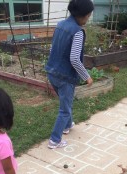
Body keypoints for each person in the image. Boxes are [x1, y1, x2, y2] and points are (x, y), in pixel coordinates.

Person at [45, 0, 94, 149]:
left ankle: (67, 126)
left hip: (52, 71)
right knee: (65, 109)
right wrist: (86, 76)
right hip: (65, 76)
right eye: (88, 16)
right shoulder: (78, 31)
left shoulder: (60, 25)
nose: (88, 18)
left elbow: (53, 47)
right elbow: (74, 58)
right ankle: (55, 140)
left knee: (65, 100)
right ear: (83, 15)